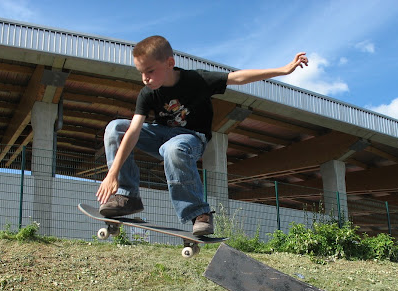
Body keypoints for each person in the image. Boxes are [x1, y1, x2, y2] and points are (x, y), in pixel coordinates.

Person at [96, 35, 308, 236]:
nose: (145, 79)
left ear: (170, 63)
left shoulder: (197, 79)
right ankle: (127, 197)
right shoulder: (148, 93)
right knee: (116, 127)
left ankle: (199, 213)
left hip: (191, 137)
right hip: (160, 135)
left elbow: (240, 77)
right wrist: (112, 173)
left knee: (174, 148)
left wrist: (284, 69)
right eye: (141, 72)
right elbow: (133, 131)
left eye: (150, 71)